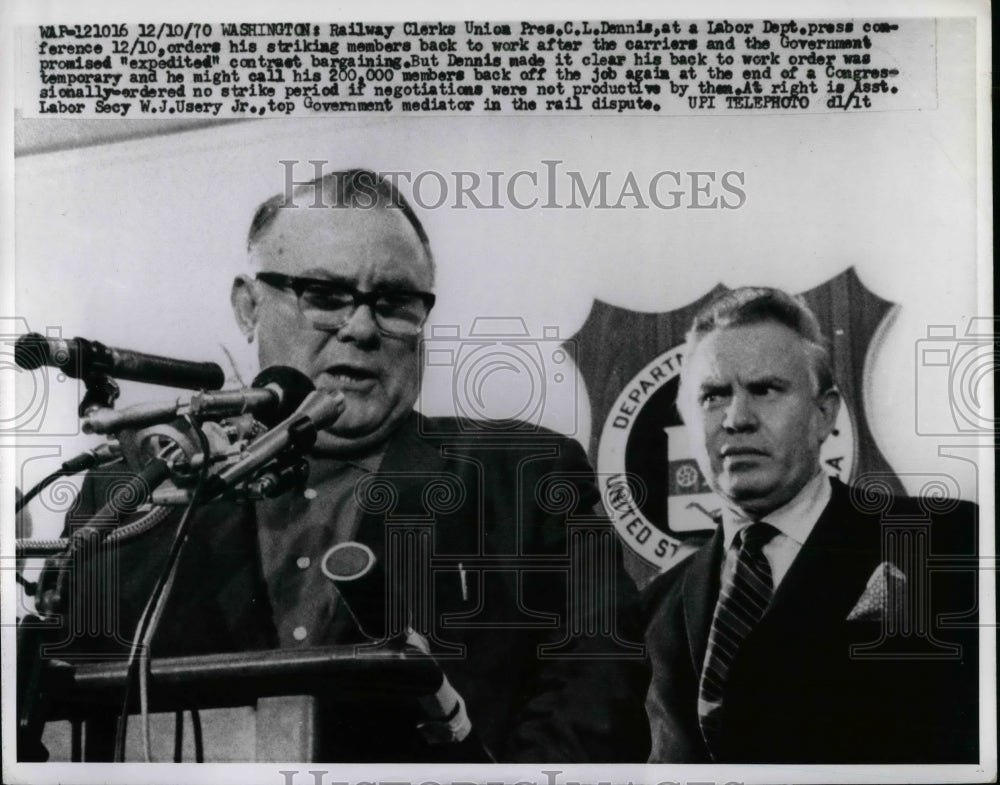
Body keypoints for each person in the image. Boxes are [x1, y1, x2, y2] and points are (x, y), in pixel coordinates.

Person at [31, 169, 649, 762]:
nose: (360, 328)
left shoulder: (528, 478)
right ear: (248, 307)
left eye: (394, 302)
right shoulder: (133, 492)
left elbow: (599, 706)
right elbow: (58, 711)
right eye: (324, 296)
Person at [643, 286, 979, 763]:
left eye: (765, 389)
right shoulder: (655, 611)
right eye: (714, 395)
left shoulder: (951, 542)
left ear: (825, 414)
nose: (737, 418)